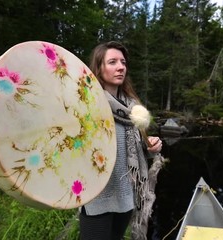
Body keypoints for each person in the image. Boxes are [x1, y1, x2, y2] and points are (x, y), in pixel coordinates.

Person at [79, 41, 163, 240]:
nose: (120, 67)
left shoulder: (132, 108)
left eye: (123, 62)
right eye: (112, 62)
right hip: (97, 197)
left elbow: (133, 149)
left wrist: (148, 145)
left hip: (126, 196)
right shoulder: (88, 104)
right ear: (99, 68)